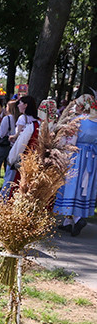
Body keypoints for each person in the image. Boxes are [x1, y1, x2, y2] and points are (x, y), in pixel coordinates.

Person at [56, 97, 97, 236]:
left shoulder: (80, 120)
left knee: (71, 186)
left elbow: (69, 140)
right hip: (92, 157)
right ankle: (68, 222)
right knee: (82, 188)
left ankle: (78, 218)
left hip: (76, 155)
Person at [1, 95, 40, 196]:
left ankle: (4, 200)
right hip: (32, 155)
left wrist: (12, 137)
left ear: (26, 105)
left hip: (20, 153)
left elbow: (19, 137)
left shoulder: (23, 118)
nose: (18, 105)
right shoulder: (38, 121)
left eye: (20, 103)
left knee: (12, 180)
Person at [0, 99, 18, 181]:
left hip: (2, 145)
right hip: (11, 146)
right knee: (8, 168)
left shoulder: (7, 118)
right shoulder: (17, 118)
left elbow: (1, 134)